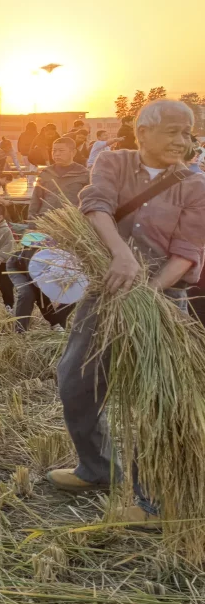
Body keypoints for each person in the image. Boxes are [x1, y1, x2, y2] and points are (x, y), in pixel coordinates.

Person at [50, 99, 205, 523]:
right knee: (77, 379)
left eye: (187, 132)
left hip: (162, 300)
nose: (182, 140)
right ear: (143, 133)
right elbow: (96, 204)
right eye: (172, 131)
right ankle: (98, 468)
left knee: (159, 397)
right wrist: (121, 255)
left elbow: (188, 252)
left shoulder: (196, 185)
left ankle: (152, 502)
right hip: (106, 289)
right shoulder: (114, 163)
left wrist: (147, 293)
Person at [11, 136, 91, 329]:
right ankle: (21, 327)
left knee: (72, 275)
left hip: (70, 231)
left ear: (73, 152)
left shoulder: (84, 175)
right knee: (32, 270)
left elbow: (90, 202)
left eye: (61, 150)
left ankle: (58, 321)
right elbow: (36, 200)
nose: (56, 154)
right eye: (54, 150)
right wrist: (31, 225)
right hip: (42, 227)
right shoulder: (46, 173)